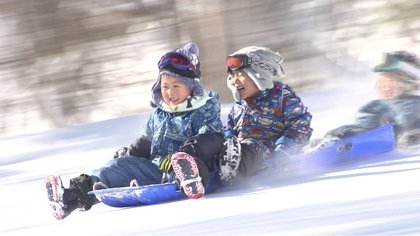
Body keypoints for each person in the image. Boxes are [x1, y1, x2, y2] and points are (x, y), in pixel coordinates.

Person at [45, 42, 224, 220]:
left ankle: (189, 180)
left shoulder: (203, 108)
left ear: (191, 86)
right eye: (165, 86)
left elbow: (211, 137)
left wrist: (187, 153)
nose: (170, 92)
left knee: (182, 167)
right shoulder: (160, 113)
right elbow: (145, 142)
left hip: (193, 165)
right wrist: (128, 157)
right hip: (155, 169)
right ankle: (69, 198)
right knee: (114, 168)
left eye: (176, 86)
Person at [167, 46, 313, 185]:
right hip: (232, 148)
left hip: (262, 152)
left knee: (250, 148)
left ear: (260, 74)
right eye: (231, 76)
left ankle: (230, 169)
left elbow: (300, 128)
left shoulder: (284, 98)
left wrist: (284, 150)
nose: (233, 81)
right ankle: (189, 162)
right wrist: (225, 138)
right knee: (212, 137)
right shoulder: (240, 105)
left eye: (240, 75)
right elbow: (230, 127)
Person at [315, 50, 420, 150]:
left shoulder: (413, 103)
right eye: (381, 82)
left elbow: (410, 119)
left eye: (390, 82)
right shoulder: (375, 105)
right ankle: (327, 142)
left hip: (402, 136)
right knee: (347, 130)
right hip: (362, 133)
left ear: (407, 84)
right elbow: (361, 124)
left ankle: (337, 141)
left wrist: (413, 133)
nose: (385, 87)